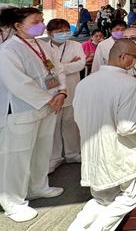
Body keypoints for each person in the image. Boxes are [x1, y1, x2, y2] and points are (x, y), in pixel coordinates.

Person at [69, 39, 136, 231]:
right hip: (124, 155)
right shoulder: (130, 85)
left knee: (100, 200)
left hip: (93, 152)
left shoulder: (85, 83)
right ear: (123, 57)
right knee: (129, 198)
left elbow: (78, 117)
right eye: (135, 57)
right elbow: (127, 127)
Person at [0, 8, 67, 223]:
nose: (41, 24)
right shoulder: (8, 50)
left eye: (41, 20)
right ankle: (12, 202)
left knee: (42, 148)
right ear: (19, 26)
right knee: (17, 157)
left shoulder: (42, 44)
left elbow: (57, 71)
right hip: (22, 109)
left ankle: (38, 186)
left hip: (48, 106)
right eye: (36, 21)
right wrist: (49, 98)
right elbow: (19, 83)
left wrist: (62, 92)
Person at [46, 19, 86, 173]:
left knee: (71, 122)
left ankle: (72, 153)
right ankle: (54, 157)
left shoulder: (76, 45)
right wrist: (68, 65)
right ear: (49, 33)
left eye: (66, 30)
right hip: (52, 91)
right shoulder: (43, 47)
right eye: (59, 31)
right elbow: (44, 68)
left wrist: (57, 67)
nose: (64, 34)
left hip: (72, 88)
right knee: (53, 125)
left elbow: (81, 64)